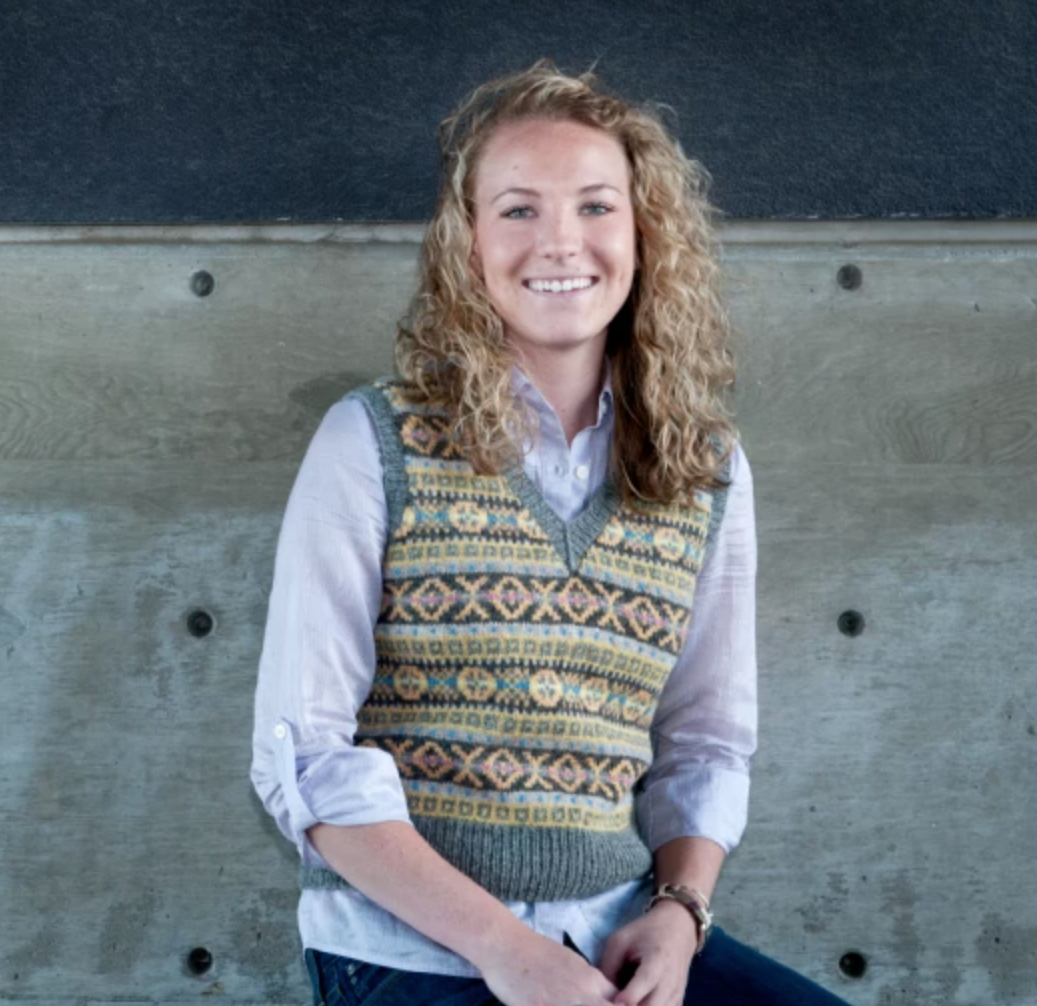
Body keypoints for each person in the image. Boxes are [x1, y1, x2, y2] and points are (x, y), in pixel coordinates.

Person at [250, 61, 852, 1006]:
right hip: (410, 951)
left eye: (597, 206)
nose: (560, 242)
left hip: (618, 936)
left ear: (645, 233)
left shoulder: (707, 470)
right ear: (468, 243)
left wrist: (679, 915)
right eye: (520, 210)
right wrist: (510, 952)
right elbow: (305, 763)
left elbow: (705, 743)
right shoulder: (372, 443)